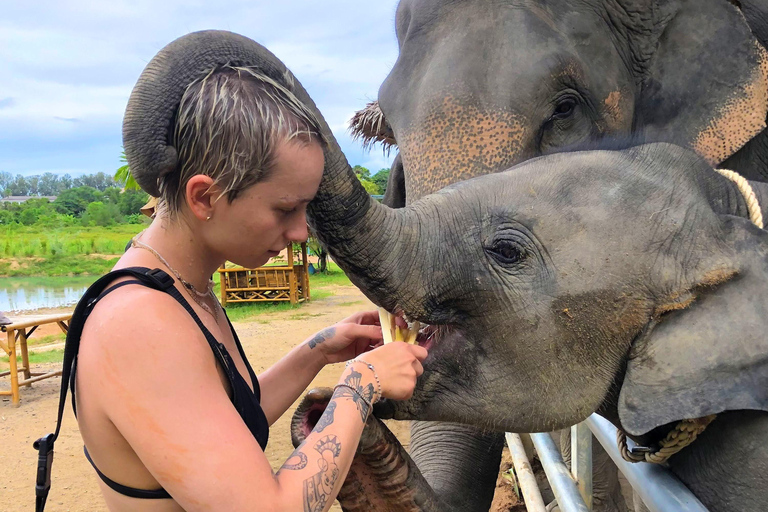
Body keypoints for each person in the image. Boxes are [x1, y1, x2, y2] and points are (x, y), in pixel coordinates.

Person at [67, 65, 427, 511]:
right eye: (285, 209)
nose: (301, 232)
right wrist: (361, 383)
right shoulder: (140, 324)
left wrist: (319, 351)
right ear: (204, 198)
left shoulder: (182, 287)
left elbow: (227, 421)